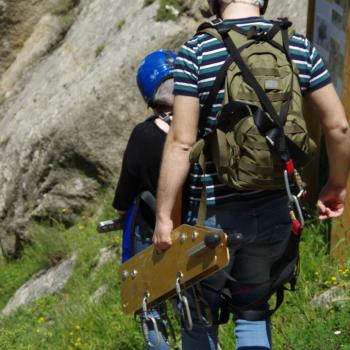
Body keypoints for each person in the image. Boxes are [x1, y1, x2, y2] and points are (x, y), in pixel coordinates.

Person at [153, 1, 350, 349]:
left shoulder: (197, 51)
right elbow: (339, 127)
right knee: (252, 312)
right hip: (274, 213)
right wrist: (336, 184)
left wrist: (165, 218)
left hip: (211, 220)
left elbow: (182, 143)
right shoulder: (297, 46)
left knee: (199, 320)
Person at [112, 49, 177, 350]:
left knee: (149, 303)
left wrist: (122, 211)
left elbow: (127, 185)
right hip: (192, 223)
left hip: (151, 228)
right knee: (190, 296)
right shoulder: (200, 127)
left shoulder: (144, 135)